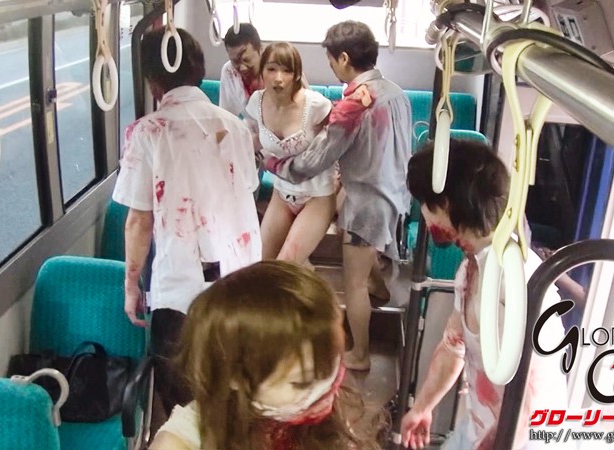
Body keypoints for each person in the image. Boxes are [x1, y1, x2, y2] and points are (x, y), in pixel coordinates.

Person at [112, 27, 261, 430]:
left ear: (152, 80)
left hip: (181, 288)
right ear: (198, 70)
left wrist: (131, 286)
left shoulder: (147, 132)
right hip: (240, 281)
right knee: (235, 386)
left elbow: (139, 220)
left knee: (184, 398)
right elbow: (247, 189)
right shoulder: (235, 127)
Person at [399, 138, 572, 450]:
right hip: (480, 426)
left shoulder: (509, 283)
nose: (424, 216)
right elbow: (454, 345)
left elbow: (524, 404)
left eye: (424, 203)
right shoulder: (472, 268)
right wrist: (423, 407)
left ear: (445, 204)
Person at [265, 21, 412, 371]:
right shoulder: (396, 92)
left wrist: (272, 162)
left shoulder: (355, 106)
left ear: (344, 58)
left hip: (367, 201)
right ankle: (380, 287)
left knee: (353, 283)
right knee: (361, 249)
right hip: (395, 191)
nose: (331, 66)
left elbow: (313, 162)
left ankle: (360, 354)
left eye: (331, 60)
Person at [149, 260, 384, 450]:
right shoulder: (180, 443)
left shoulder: (316, 412)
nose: (327, 388)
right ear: (235, 377)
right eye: (301, 382)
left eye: (333, 365)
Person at [243, 42, 336, 264]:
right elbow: (252, 140)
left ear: (296, 75)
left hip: (317, 196)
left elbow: (340, 140)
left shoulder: (316, 105)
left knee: (286, 264)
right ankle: (307, 277)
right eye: (272, 69)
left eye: (287, 71)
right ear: (262, 71)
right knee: (261, 264)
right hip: (282, 193)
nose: (278, 78)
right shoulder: (256, 102)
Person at [220, 23, 264, 117]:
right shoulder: (228, 71)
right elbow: (226, 114)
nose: (242, 68)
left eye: (247, 60)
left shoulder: (277, 71)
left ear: (260, 50)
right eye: (235, 62)